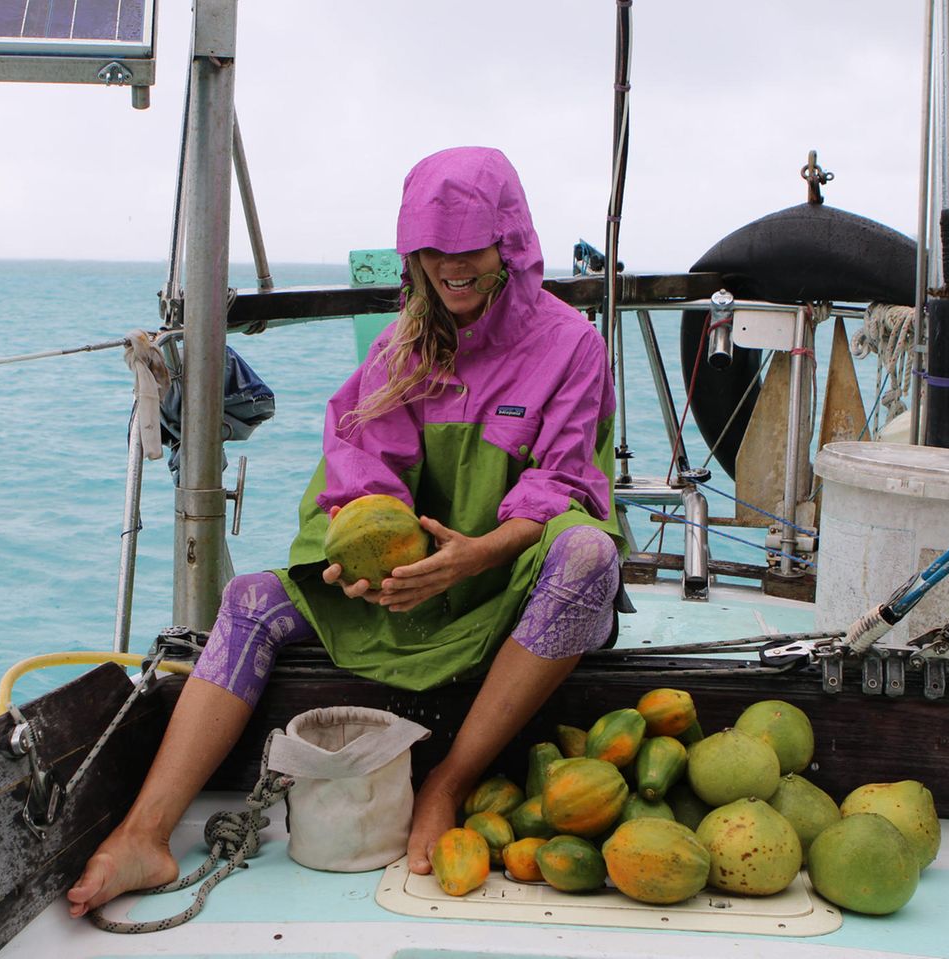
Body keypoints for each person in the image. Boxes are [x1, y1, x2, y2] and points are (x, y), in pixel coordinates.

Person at [68, 146, 625, 918]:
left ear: (511, 242)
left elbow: (560, 486)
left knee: (592, 556)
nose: (449, 266)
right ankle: (145, 833)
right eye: (431, 247)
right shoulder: (401, 345)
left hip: (504, 581)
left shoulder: (572, 345)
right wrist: (368, 561)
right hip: (412, 587)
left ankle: (446, 781)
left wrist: (472, 558)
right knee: (254, 597)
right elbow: (363, 471)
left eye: (468, 245)